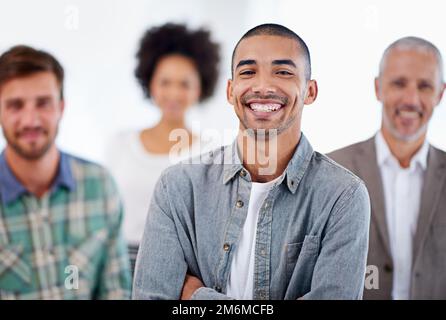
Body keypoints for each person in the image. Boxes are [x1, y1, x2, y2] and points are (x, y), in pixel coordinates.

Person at [133, 23, 371, 300]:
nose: (263, 86)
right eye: (248, 72)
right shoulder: (177, 187)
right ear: (230, 91)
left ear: (310, 91)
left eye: (283, 72)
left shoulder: (343, 197)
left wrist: (198, 296)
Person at [0, 45, 131, 299]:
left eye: (43, 103)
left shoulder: (100, 186)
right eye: (16, 105)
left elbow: (117, 290)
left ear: (61, 107)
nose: (31, 120)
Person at [328, 37, 446, 299]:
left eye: (425, 86)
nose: (411, 99)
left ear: (440, 94)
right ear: (378, 88)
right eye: (399, 83)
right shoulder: (332, 170)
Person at [104, 23, 220, 273]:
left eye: (184, 84)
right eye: (165, 82)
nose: (174, 93)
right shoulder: (121, 144)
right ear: (151, 83)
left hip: (183, 270)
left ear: (199, 88)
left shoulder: (212, 152)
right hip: (118, 266)